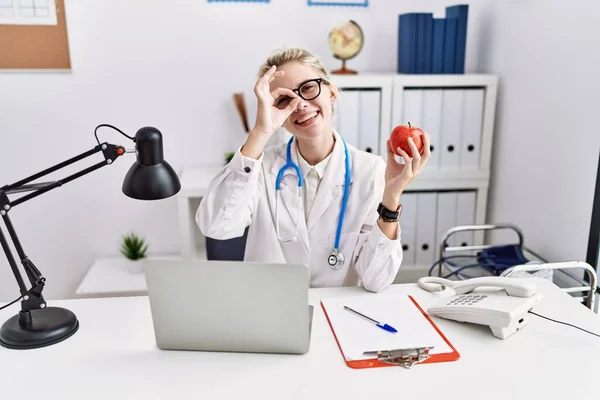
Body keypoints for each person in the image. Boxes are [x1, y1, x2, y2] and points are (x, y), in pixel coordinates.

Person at [196, 48, 430, 292]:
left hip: (338, 315)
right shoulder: (260, 166)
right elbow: (215, 225)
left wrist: (391, 199)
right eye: (284, 99)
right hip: (269, 313)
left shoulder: (370, 170)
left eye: (308, 88)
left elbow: (376, 280)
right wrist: (260, 132)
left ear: (331, 91)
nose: (300, 105)